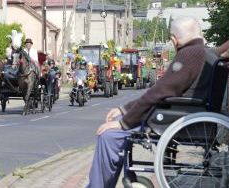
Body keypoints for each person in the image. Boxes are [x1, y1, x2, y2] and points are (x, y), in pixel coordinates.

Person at [86, 17, 210, 188]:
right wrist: (125, 109)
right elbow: (160, 90)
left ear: (174, 39)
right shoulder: (200, 51)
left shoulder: (188, 54)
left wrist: (124, 122)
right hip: (182, 112)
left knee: (108, 135)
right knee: (113, 126)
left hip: (172, 117)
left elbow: (160, 92)